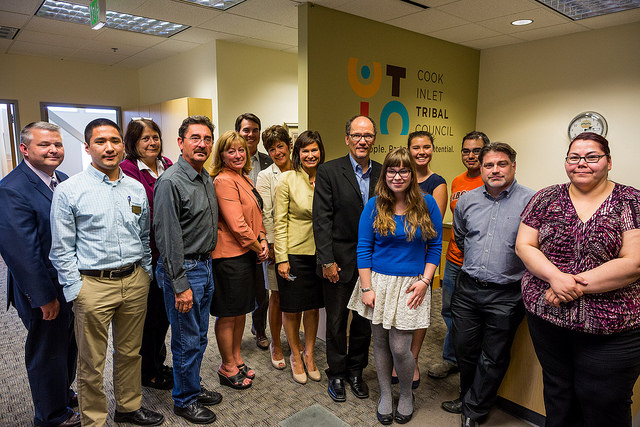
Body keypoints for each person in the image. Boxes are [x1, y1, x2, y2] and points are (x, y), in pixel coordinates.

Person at [515, 132, 640, 427]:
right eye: (574, 157)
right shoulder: (546, 197)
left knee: (602, 400)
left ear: (608, 162)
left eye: (592, 156)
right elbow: (524, 245)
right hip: (548, 320)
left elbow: (633, 263)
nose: (582, 163)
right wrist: (555, 277)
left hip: (611, 328)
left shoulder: (630, 201)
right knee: (558, 393)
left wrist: (567, 286)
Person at [49, 118, 163, 426]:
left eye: (114, 140)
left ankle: (128, 406)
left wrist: (146, 273)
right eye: (100, 142)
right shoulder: (70, 191)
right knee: (92, 363)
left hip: (134, 281)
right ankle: (94, 420)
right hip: (93, 286)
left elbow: (143, 236)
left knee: (130, 353)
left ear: (123, 146)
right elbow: (61, 249)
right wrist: (77, 291)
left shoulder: (136, 188)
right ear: (87, 148)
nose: (109, 147)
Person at [348, 147, 442, 425]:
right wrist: (366, 288)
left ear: (412, 174)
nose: (397, 176)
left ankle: (406, 394)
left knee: (400, 347)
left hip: (412, 285)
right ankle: (386, 395)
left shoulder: (427, 204)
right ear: (384, 174)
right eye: (392, 170)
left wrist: (426, 281)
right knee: (379, 344)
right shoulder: (374, 205)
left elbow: (435, 246)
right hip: (378, 283)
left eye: (403, 170)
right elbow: (364, 248)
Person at [446, 142, 534, 427]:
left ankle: (474, 409)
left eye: (502, 164)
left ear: (513, 166)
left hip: (506, 294)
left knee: (493, 356)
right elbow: (460, 238)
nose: (495, 170)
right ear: (480, 169)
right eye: (489, 165)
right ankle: (467, 395)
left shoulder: (531, 202)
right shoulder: (468, 200)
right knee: (464, 348)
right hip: (468, 288)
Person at [0, 122, 79, 427]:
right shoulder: (11, 189)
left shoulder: (61, 180)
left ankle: (60, 393)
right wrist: (44, 298)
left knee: (67, 345)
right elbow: (22, 254)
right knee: (47, 352)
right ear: (25, 149)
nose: (53, 150)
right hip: (42, 289)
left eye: (57, 144)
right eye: (44, 145)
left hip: (66, 282)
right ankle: (51, 415)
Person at [154, 115, 221, 424]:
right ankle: (184, 400)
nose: (202, 144)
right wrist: (180, 283)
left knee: (199, 337)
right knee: (185, 339)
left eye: (207, 138)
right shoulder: (170, 181)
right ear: (180, 143)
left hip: (205, 266)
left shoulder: (204, 177)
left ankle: (191, 386)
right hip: (184, 271)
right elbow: (167, 238)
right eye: (195, 137)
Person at [313, 115, 382, 402]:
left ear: (374, 140)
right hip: (338, 262)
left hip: (374, 263)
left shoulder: (383, 172)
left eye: (367, 135)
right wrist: (326, 260)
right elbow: (322, 219)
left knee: (365, 321)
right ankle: (337, 374)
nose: (362, 140)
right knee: (338, 321)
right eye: (357, 135)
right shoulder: (329, 171)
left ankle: (356, 371)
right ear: (347, 139)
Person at [209, 130, 269, 390]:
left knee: (242, 310)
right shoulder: (223, 180)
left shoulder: (243, 177)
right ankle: (227, 366)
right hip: (229, 257)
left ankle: (236, 358)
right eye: (230, 150)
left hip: (247, 254)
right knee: (228, 313)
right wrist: (258, 246)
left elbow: (256, 213)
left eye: (241, 150)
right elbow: (237, 224)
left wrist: (263, 239)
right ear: (221, 154)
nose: (237, 155)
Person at [435, 132, 489, 411]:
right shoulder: (456, 182)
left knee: (473, 316)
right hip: (454, 258)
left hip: (478, 263)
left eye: (477, 151)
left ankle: (469, 359)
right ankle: (452, 357)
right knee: (448, 310)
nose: (471, 156)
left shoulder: (490, 179)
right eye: (466, 151)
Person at [121, 119, 174, 391]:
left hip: (170, 254)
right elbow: (137, 214)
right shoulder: (127, 170)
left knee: (164, 314)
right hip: (147, 255)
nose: (152, 143)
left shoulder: (167, 164)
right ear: (133, 143)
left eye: (155, 137)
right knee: (148, 318)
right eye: (145, 139)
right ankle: (147, 371)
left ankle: (158, 362)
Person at [274, 130, 326, 384]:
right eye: (305, 150)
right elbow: (279, 221)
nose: (310, 155)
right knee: (292, 309)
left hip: (320, 254)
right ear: (298, 154)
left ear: (321, 152)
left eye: (314, 150)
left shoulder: (327, 178)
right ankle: (295, 355)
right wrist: (281, 258)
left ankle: (310, 355)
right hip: (293, 253)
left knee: (313, 308)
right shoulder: (287, 180)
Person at [397, 130, 447, 390]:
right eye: (416, 147)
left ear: (432, 150)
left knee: (416, 311)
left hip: (422, 257)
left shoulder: (437, 184)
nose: (421, 152)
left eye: (426, 147)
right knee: (398, 311)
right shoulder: (398, 175)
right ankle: (399, 357)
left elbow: (431, 227)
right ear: (408, 149)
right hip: (396, 256)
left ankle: (413, 358)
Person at [256, 125, 293, 370]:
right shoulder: (265, 176)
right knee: (277, 296)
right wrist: (270, 245)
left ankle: (293, 341)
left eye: (280, 145)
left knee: (297, 297)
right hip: (276, 244)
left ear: (288, 145)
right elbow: (266, 213)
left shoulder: (301, 169)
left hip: (301, 242)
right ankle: (276, 344)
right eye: (272, 148)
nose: (277, 152)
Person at [236, 113, 272, 350]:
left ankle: (259, 329)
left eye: (255, 130)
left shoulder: (269, 161)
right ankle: (233, 335)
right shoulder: (231, 160)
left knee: (262, 289)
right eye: (246, 130)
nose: (251, 134)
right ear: (237, 132)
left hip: (262, 235)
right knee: (237, 289)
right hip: (236, 235)